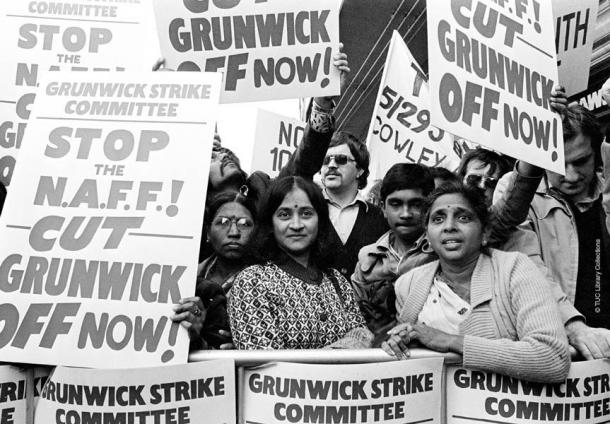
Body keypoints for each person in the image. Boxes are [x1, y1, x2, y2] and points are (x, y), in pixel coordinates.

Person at [383, 183, 570, 383]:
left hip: (505, 408)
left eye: (463, 217)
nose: (449, 227)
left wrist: (451, 342)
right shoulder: (408, 285)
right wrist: (400, 343)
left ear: (485, 232)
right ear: (427, 236)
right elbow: (411, 360)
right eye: (438, 219)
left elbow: (552, 358)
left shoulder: (514, 269)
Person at [495, 104, 610, 359]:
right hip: (559, 350)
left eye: (581, 161)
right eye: (558, 163)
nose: (570, 175)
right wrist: (574, 327)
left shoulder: (607, 194)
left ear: (598, 153)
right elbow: (528, 269)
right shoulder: (519, 195)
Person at [228, 176, 371, 349]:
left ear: (320, 220)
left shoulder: (336, 281)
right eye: (284, 215)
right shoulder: (253, 281)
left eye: (306, 214)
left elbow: (362, 340)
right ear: (270, 224)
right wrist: (339, 350)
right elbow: (263, 364)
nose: (296, 225)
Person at [352, 164, 435, 332]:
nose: (405, 214)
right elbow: (354, 315)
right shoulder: (368, 258)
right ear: (383, 208)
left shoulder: (441, 253)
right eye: (396, 204)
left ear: (430, 207)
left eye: (416, 204)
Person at [172, 191, 257, 349]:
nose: (234, 233)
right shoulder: (184, 277)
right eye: (223, 222)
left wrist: (246, 344)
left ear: (256, 233)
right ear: (208, 233)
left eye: (244, 224)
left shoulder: (265, 284)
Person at [321, 132, 388, 278]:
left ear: (359, 170)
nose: (331, 165)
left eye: (341, 159)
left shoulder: (380, 217)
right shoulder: (307, 211)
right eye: (326, 160)